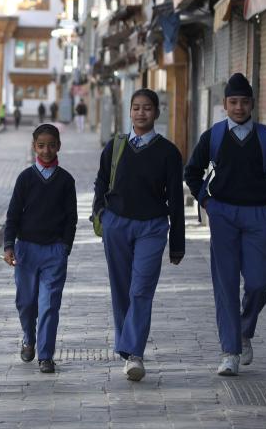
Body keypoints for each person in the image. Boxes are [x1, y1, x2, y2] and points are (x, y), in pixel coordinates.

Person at [183, 73, 266, 377]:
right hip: (223, 214)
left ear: (252, 104)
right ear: (224, 105)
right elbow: (192, 171)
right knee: (225, 284)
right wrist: (207, 202)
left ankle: (244, 329)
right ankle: (230, 352)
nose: (239, 107)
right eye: (233, 102)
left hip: (257, 216)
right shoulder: (213, 136)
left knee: (259, 281)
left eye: (244, 101)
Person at [92, 88, 185, 382]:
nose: (141, 113)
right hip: (117, 225)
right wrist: (100, 214)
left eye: (147, 108)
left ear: (156, 112)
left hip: (152, 227)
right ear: (130, 111)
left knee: (140, 288)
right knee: (121, 289)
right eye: (136, 108)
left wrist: (177, 244)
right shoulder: (115, 146)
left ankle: (134, 353)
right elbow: (101, 181)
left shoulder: (169, 152)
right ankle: (128, 344)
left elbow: (177, 200)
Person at [3, 123, 77, 374]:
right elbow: (13, 214)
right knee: (25, 302)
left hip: (54, 252)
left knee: (49, 304)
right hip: (26, 250)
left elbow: (71, 217)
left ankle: (46, 355)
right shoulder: (25, 178)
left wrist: (65, 246)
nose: (46, 150)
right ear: (34, 146)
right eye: (41, 145)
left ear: (59, 146)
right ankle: (28, 338)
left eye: (51, 145)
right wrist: (8, 245)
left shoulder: (66, 180)